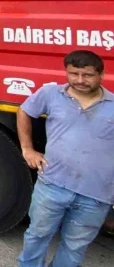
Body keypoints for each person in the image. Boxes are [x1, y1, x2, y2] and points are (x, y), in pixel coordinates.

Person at [17, 50, 113, 267]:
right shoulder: (51, 93)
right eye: (74, 73)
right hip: (52, 185)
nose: (79, 80)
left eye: (87, 75)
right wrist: (27, 149)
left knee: (74, 246)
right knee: (37, 236)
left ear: (101, 74)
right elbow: (24, 111)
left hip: (96, 195)